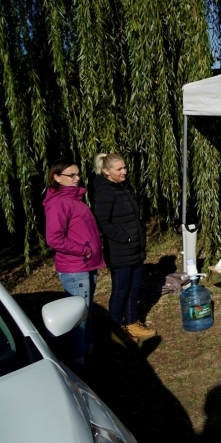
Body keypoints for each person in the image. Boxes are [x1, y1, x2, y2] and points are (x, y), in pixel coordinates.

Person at [43, 158, 105, 367]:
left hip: (87, 264)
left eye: (78, 174)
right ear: (57, 177)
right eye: (72, 175)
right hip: (74, 267)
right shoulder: (59, 203)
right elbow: (54, 238)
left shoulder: (74, 198)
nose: (78, 178)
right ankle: (78, 361)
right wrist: (84, 250)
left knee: (85, 312)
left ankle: (87, 349)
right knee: (78, 315)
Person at [92, 153, 156, 341]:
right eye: (119, 169)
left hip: (134, 248)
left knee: (134, 287)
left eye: (125, 167)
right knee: (121, 289)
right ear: (106, 171)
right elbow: (101, 221)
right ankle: (116, 328)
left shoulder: (121, 188)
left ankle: (132, 323)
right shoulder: (105, 191)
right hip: (120, 250)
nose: (124, 172)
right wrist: (124, 238)